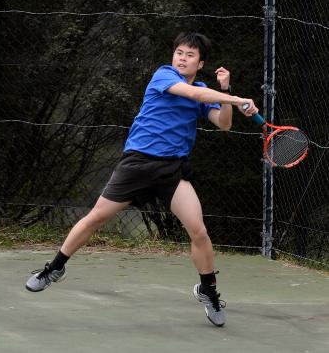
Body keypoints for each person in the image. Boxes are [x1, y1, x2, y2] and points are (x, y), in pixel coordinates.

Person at [25, 32, 258, 327]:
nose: (182, 58)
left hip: (171, 171)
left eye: (190, 55)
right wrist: (236, 99)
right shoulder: (164, 75)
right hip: (136, 164)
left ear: (201, 64)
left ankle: (208, 291)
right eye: (179, 53)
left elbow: (223, 124)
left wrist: (228, 94)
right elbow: (196, 95)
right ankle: (54, 268)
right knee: (96, 218)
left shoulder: (204, 89)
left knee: (198, 231)